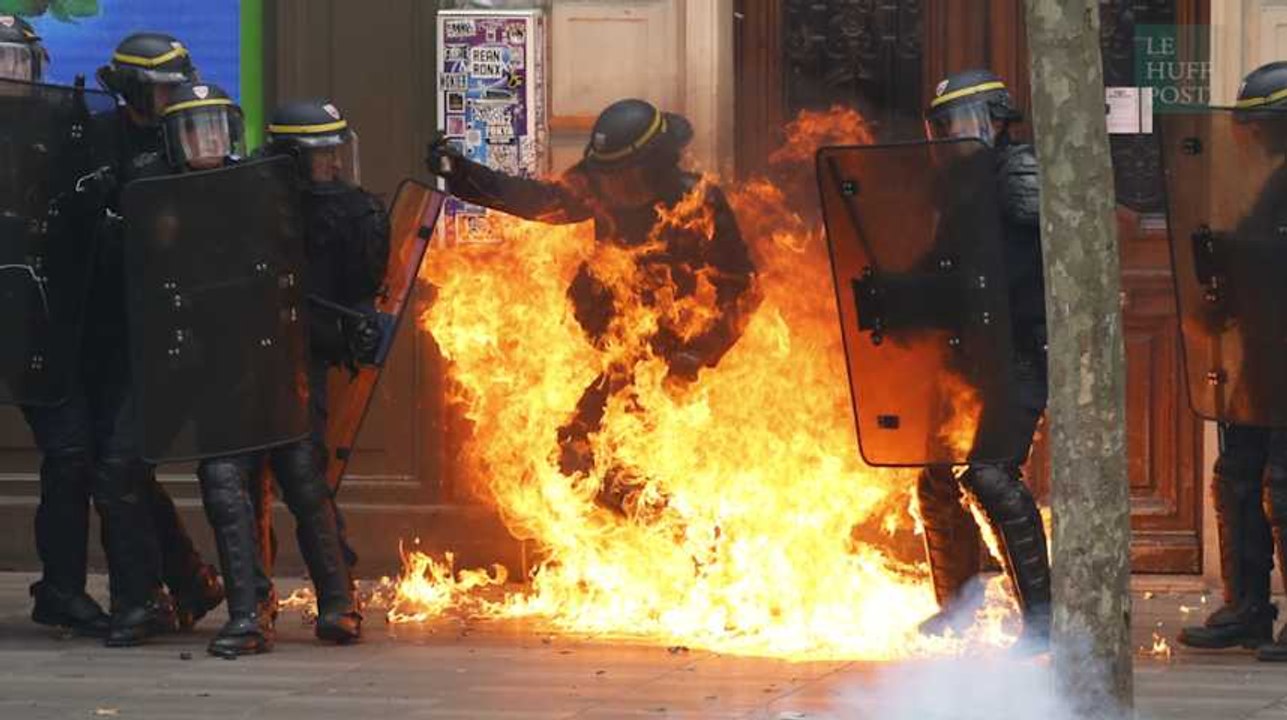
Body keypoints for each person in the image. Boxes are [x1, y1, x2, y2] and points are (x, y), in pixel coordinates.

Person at [426, 98, 759, 513]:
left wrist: (700, 352)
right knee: (575, 454)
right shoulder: (597, 187)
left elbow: (743, 288)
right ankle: (674, 535)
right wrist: (461, 175)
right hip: (621, 349)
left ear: (654, 166)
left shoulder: (697, 202)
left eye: (625, 177)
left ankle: (685, 538)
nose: (614, 188)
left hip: (671, 356)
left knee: (614, 456)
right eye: (608, 176)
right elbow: (534, 200)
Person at [193, 99, 382, 656]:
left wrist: (358, 327)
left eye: (335, 151)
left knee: (302, 474)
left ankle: (338, 602)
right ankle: (249, 612)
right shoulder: (237, 201)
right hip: (231, 359)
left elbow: (360, 294)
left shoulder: (356, 215)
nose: (334, 166)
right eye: (321, 155)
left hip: (300, 361)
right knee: (227, 478)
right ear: (293, 160)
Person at [85, 33, 223, 646]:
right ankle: (189, 582)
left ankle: (139, 601)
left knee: (118, 469)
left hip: (172, 337)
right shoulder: (98, 140)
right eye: (162, 87)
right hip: (108, 331)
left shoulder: (191, 139)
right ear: (136, 89)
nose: (172, 97)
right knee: (117, 471)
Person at [913, 70, 1052, 646]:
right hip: (970, 355)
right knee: (936, 477)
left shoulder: (1019, 178)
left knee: (991, 475)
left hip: (1018, 349)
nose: (952, 136)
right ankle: (958, 606)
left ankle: (1044, 622)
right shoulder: (964, 189)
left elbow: (1026, 270)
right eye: (945, 126)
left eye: (962, 124)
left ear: (996, 121)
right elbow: (945, 266)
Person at [1178, 62, 1287, 657]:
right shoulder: (1272, 185)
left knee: (1285, 485)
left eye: (1263, 124)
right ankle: (1245, 606)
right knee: (1236, 479)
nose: (1254, 137)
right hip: (1263, 356)